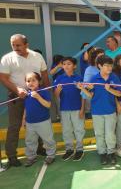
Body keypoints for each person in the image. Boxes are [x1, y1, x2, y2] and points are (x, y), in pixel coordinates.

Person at [0, 34, 50, 167]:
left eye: (18, 45)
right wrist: (17, 90)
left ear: (26, 45)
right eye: (13, 45)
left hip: (36, 95)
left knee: (37, 121)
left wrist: (45, 91)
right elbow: (3, 78)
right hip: (17, 97)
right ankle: (11, 156)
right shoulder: (7, 59)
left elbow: (44, 74)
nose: (15, 47)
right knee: (14, 126)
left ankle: (39, 149)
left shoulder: (37, 56)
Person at [78, 55, 121, 165]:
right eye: (106, 66)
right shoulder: (94, 79)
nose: (109, 68)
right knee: (99, 134)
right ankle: (102, 153)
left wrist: (110, 89)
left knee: (110, 134)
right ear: (99, 66)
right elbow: (90, 96)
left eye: (110, 66)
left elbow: (119, 93)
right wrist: (83, 88)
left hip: (110, 111)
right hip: (97, 112)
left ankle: (111, 153)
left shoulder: (114, 77)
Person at [53, 57, 85, 161]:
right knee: (67, 131)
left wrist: (82, 109)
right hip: (64, 109)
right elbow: (56, 95)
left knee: (79, 130)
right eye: (64, 64)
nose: (66, 66)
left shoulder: (79, 78)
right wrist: (57, 91)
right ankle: (69, 150)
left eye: (69, 64)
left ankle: (80, 150)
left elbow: (83, 95)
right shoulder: (59, 79)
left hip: (77, 109)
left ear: (74, 66)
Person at [23, 72, 56, 167]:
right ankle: (31, 157)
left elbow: (48, 105)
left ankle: (51, 155)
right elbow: (26, 108)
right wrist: (24, 119)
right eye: (28, 81)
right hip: (30, 123)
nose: (31, 83)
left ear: (39, 81)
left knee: (48, 139)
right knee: (30, 141)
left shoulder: (43, 91)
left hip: (43, 121)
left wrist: (38, 97)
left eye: (33, 80)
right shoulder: (26, 94)